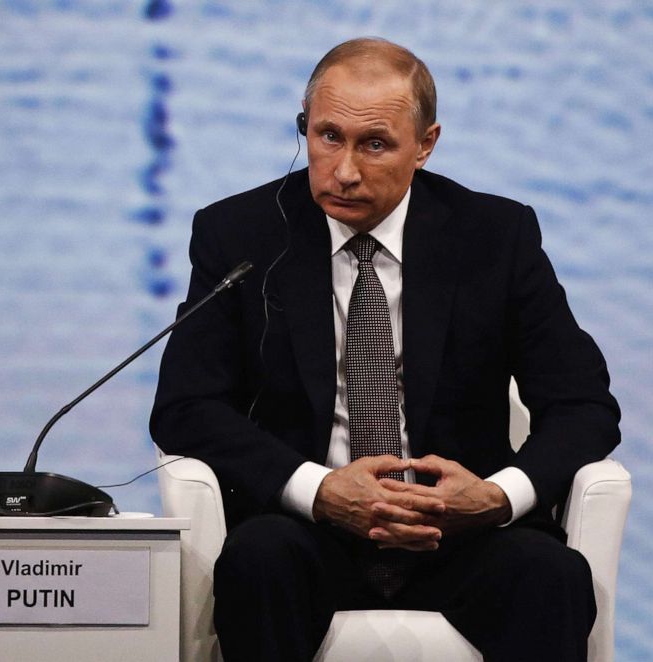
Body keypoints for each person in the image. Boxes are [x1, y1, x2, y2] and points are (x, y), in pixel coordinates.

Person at [151, 37, 620, 662]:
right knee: (257, 562)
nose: (344, 169)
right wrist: (317, 489)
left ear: (425, 144)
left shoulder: (494, 236)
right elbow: (186, 407)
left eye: (374, 144)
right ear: (304, 124)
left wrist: (494, 497)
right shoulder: (238, 233)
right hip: (307, 532)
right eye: (326, 136)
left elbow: (585, 406)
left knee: (551, 576)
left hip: (459, 534)